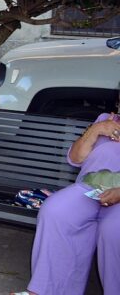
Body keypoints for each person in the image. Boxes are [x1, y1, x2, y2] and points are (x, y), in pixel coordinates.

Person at [11, 112, 120, 295]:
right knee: (56, 211)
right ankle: (44, 291)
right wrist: (96, 130)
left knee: (113, 231)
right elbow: (75, 158)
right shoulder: (105, 119)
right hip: (88, 189)